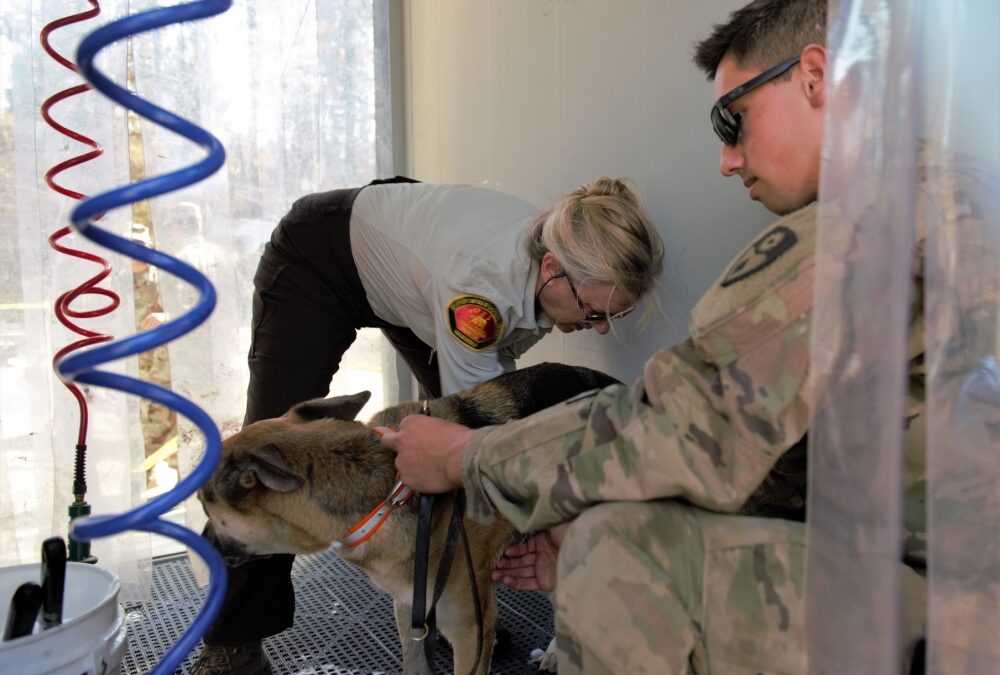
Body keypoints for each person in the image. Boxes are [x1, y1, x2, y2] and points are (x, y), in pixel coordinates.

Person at [380, 1, 993, 672]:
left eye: (733, 119)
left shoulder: (860, 235)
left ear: (814, 77)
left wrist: (467, 456)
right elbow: (782, 450)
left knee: (615, 551)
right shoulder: (946, 193)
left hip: (961, 609)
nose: (728, 160)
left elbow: (687, 423)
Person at [191, 175, 665, 674]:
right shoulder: (480, 288)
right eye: (593, 312)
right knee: (264, 455)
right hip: (320, 256)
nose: (601, 327)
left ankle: (461, 596)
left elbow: (485, 401)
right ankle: (232, 642)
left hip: (409, 265)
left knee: (449, 447)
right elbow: (475, 435)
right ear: (552, 269)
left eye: (613, 315)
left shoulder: (557, 255)